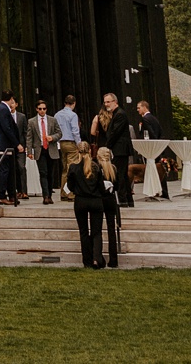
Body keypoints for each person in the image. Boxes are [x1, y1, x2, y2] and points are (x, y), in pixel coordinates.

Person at [63, 140, 110, 268]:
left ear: (78, 152)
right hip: (95, 201)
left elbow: (70, 186)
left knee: (83, 231)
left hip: (81, 201)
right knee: (97, 232)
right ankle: (97, 258)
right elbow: (101, 187)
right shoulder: (96, 167)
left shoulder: (73, 167)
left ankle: (87, 260)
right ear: (90, 151)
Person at [102, 92, 135, 207]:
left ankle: (122, 200)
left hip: (120, 148)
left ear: (115, 102)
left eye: (108, 102)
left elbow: (115, 132)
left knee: (119, 174)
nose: (106, 104)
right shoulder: (117, 114)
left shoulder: (120, 114)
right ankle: (127, 200)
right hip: (120, 148)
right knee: (123, 175)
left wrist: (108, 146)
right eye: (105, 102)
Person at [27, 98, 61, 204]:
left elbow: (59, 133)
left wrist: (52, 137)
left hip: (51, 149)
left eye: (44, 108)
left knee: (50, 173)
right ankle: (45, 195)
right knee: (43, 173)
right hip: (39, 149)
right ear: (36, 109)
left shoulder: (52, 120)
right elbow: (29, 137)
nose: (42, 111)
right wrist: (29, 151)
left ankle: (49, 195)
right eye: (40, 109)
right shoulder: (31, 122)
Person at [135, 99, 170, 200]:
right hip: (158, 148)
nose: (138, 110)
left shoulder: (145, 119)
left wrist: (152, 145)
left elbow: (150, 133)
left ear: (144, 107)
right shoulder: (154, 118)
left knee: (151, 168)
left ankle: (153, 190)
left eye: (139, 108)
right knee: (160, 169)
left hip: (151, 148)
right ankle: (163, 191)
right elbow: (160, 132)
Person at [0, 90, 23, 205]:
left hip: (8, 145)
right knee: (5, 170)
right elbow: (7, 129)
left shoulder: (2, 109)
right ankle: (1, 195)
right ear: (11, 98)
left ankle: (11, 194)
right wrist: (17, 143)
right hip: (6, 145)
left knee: (10, 170)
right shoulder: (3, 109)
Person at [96, 145, 122, 267]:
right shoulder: (114, 169)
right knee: (111, 229)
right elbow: (117, 186)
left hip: (100, 200)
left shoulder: (97, 169)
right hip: (111, 200)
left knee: (98, 230)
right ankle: (113, 259)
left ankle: (99, 257)